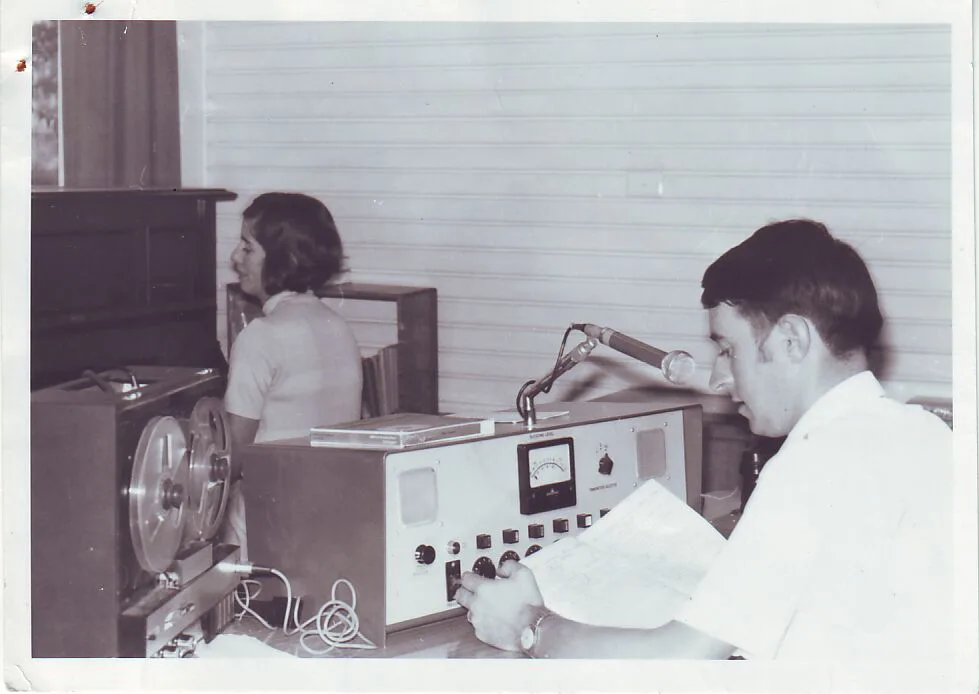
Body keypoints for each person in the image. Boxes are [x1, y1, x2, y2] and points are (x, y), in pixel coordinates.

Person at [454, 219, 953, 661]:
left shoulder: (813, 464)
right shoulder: (930, 434)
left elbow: (680, 660)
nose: (718, 379)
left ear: (793, 341)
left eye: (728, 349)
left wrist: (526, 625)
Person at [221, 192, 363, 559]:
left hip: (272, 524)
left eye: (247, 247)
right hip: (334, 519)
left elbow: (233, 456)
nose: (235, 258)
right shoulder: (338, 326)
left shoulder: (260, 336)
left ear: (286, 257)